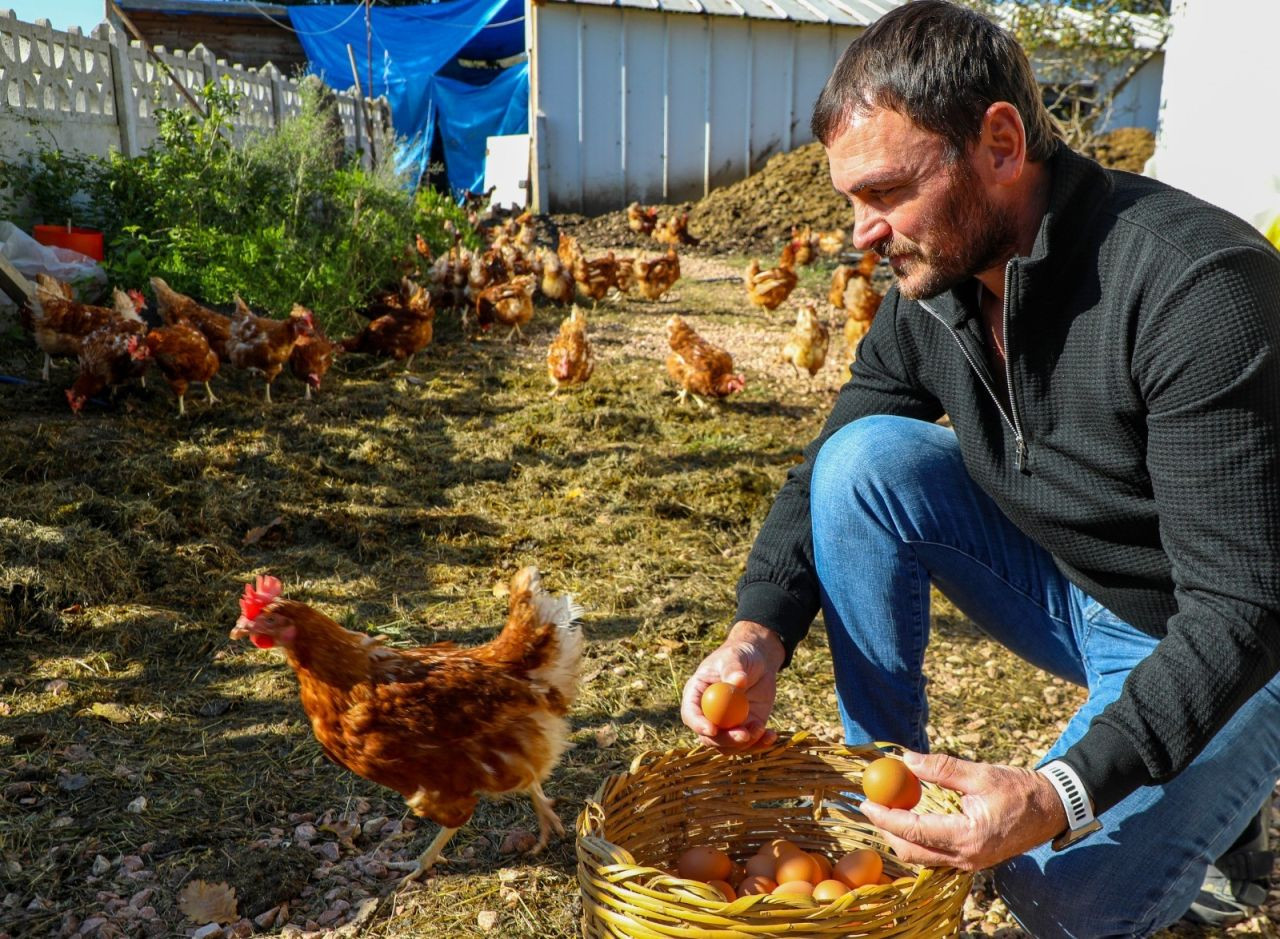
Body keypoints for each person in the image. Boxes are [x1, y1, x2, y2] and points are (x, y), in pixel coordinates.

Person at [679, 2, 1280, 934]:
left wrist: (1058, 794)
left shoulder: (1194, 291)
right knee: (863, 460)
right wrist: (759, 632)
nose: (861, 235)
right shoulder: (937, 293)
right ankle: (884, 798)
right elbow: (829, 464)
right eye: (851, 201)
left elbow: (1244, 605)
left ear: (1000, 142)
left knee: (1052, 891)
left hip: (1236, 637)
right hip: (1082, 588)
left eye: (884, 192)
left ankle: (1222, 798)